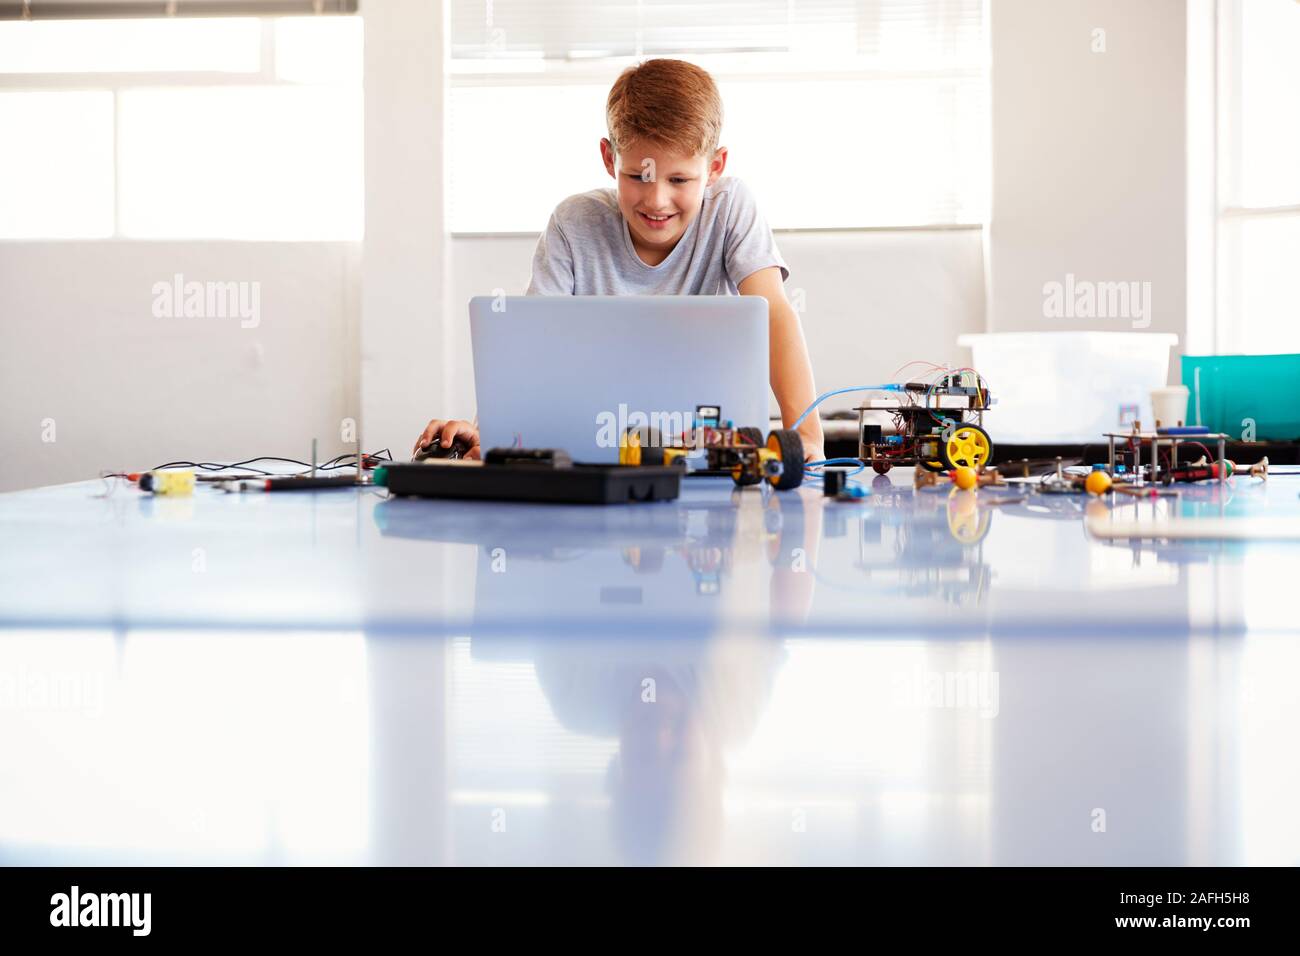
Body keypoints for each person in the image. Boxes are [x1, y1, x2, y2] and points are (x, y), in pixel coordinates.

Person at [414, 58, 824, 462]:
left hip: (701, 448)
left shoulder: (731, 207)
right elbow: (533, 346)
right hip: (593, 448)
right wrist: (491, 433)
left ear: (714, 166)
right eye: (637, 176)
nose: (657, 200)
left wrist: (805, 434)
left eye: (679, 180)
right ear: (609, 159)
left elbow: (773, 313)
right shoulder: (574, 223)